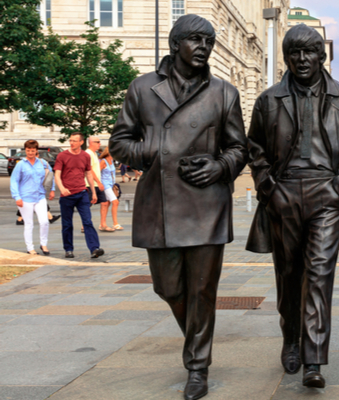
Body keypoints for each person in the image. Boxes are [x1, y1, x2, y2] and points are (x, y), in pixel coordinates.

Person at [109, 14, 247, 400]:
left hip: (207, 204)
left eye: (209, 41)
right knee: (168, 287)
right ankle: (197, 343)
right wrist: (153, 150)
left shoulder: (224, 92)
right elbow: (119, 143)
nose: (204, 47)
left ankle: (197, 367)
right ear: (175, 45)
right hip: (160, 206)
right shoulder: (142, 88)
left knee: (203, 290)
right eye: (196, 40)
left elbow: (240, 148)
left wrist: (220, 165)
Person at [245, 24, 339, 389]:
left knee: (318, 275)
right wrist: (270, 189)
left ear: (321, 55)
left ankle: (313, 358)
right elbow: (256, 150)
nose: (301, 59)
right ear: (286, 58)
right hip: (283, 195)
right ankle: (290, 338)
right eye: (294, 52)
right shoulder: (269, 100)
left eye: (309, 51)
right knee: (288, 275)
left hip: (326, 195)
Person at [54, 133, 103, 258]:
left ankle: (94, 248)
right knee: (67, 224)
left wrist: (93, 192)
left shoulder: (85, 156)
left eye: (75, 141)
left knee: (87, 221)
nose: (72, 143)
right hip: (67, 195)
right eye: (70, 140)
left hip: (82, 193)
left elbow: (88, 174)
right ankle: (68, 249)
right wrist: (62, 188)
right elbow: (57, 175)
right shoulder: (62, 156)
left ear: (81, 142)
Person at [10, 140, 55, 255]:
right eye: (28, 151)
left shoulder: (43, 163)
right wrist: (17, 197)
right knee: (29, 224)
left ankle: (43, 244)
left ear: (36, 151)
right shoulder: (20, 164)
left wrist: (52, 190)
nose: (30, 153)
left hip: (40, 196)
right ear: (25, 150)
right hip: (25, 198)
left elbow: (50, 176)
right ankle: (30, 248)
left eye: (33, 151)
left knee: (44, 221)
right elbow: (14, 181)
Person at [98, 147, 121, 231]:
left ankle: (102, 223)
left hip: (111, 185)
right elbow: (97, 172)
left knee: (107, 204)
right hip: (105, 185)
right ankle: (115, 223)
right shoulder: (103, 161)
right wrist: (99, 183)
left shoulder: (111, 161)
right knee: (115, 202)